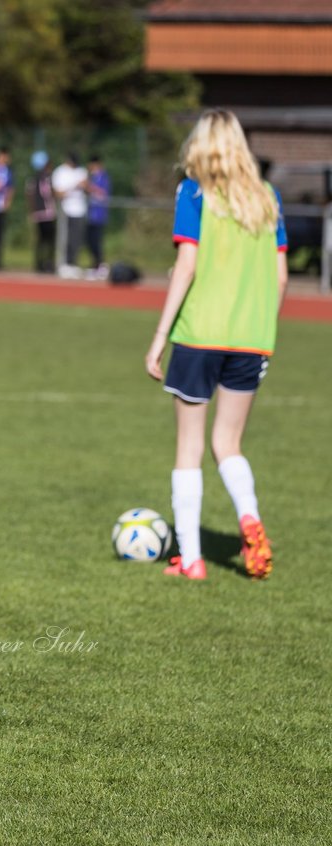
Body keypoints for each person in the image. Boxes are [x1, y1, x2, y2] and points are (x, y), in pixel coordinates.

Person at [143, 109, 287, 581]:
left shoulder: (195, 192)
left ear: (200, 147)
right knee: (229, 443)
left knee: (190, 447)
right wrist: (261, 327)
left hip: (200, 334)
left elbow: (187, 265)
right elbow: (281, 275)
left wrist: (160, 337)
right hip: (252, 340)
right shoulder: (268, 198)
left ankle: (191, 559)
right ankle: (250, 519)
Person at [51, 152, 88, 277]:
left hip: (80, 209)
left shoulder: (82, 171)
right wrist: (74, 186)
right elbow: (58, 193)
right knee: (64, 238)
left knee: (76, 239)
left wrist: (85, 185)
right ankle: (63, 264)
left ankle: (73, 263)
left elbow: (89, 188)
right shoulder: (60, 172)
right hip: (65, 209)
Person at [26, 151, 56, 273]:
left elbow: (29, 195)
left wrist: (31, 211)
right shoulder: (47, 179)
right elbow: (49, 194)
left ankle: (39, 264)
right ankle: (47, 263)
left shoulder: (32, 178)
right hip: (47, 213)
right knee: (49, 241)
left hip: (37, 213)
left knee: (40, 240)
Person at [83, 154, 110, 279]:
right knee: (89, 240)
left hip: (99, 215)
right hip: (91, 214)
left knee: (96, 241)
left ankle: (101, 265)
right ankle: (95, 265)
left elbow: (103, 193)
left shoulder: (103, 177)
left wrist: (89, 187)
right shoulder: (92, 177)